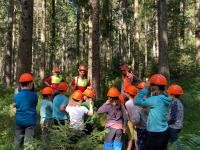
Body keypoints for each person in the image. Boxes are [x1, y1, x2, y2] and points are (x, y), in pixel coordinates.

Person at [135, 74, 172, 150]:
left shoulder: (155, 99)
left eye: (151, 85)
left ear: (154, 87)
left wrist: (145, 89)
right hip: (165, 131)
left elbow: (137, 101)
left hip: (154, 134)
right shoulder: (166, 98)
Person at [13, 73, 38, 149]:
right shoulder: (34, 95)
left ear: (20, 84)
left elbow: (17, 105)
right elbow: (34, 105)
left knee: (17, 142)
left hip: (19, 121)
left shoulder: (17, 96)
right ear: (30, 84)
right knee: (28, 143)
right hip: (30, 122)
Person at [125, 85, 148, 150]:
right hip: (145, 125)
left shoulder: (127, 103)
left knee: (133, 139)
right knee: (138, 141)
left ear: (128, 93)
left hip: (134, 123)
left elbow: (130, 115)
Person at [124, 85, 139, 150]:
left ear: (129, 94)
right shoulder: (138, 102)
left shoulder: (127, 103)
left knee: (130, 139)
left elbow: (128, 114)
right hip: (137, 122)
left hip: (130, 122)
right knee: (136, 139)